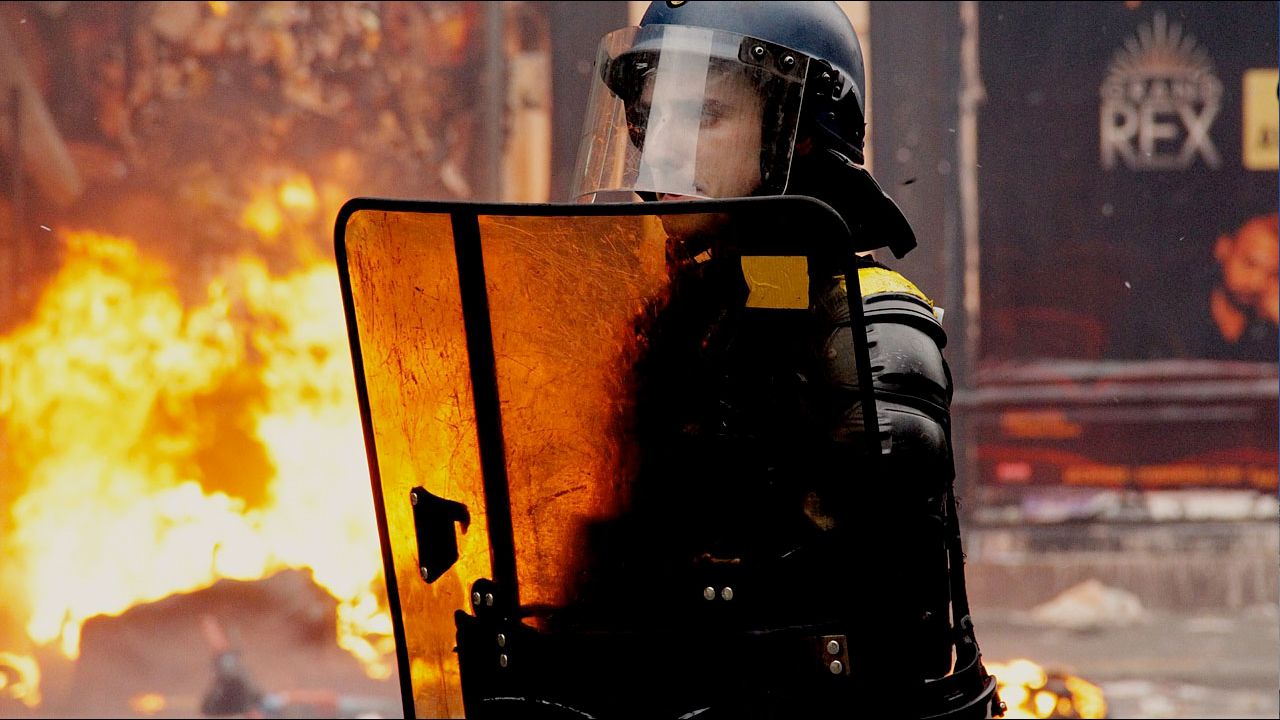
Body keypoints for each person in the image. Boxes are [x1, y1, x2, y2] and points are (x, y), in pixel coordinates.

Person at [552, 2, 999, 718]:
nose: (661, 145)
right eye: (648, 116)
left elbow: (891, 645)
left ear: (800, 133)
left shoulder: (869, 325)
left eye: (703, 114)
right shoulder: (691, 318)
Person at [1205, 213, 1279, 360]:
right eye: (1249, 264)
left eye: (1273, 274)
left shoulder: (1269, 327)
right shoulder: (1176, 312)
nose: (1257, 283)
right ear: (1224, 248)